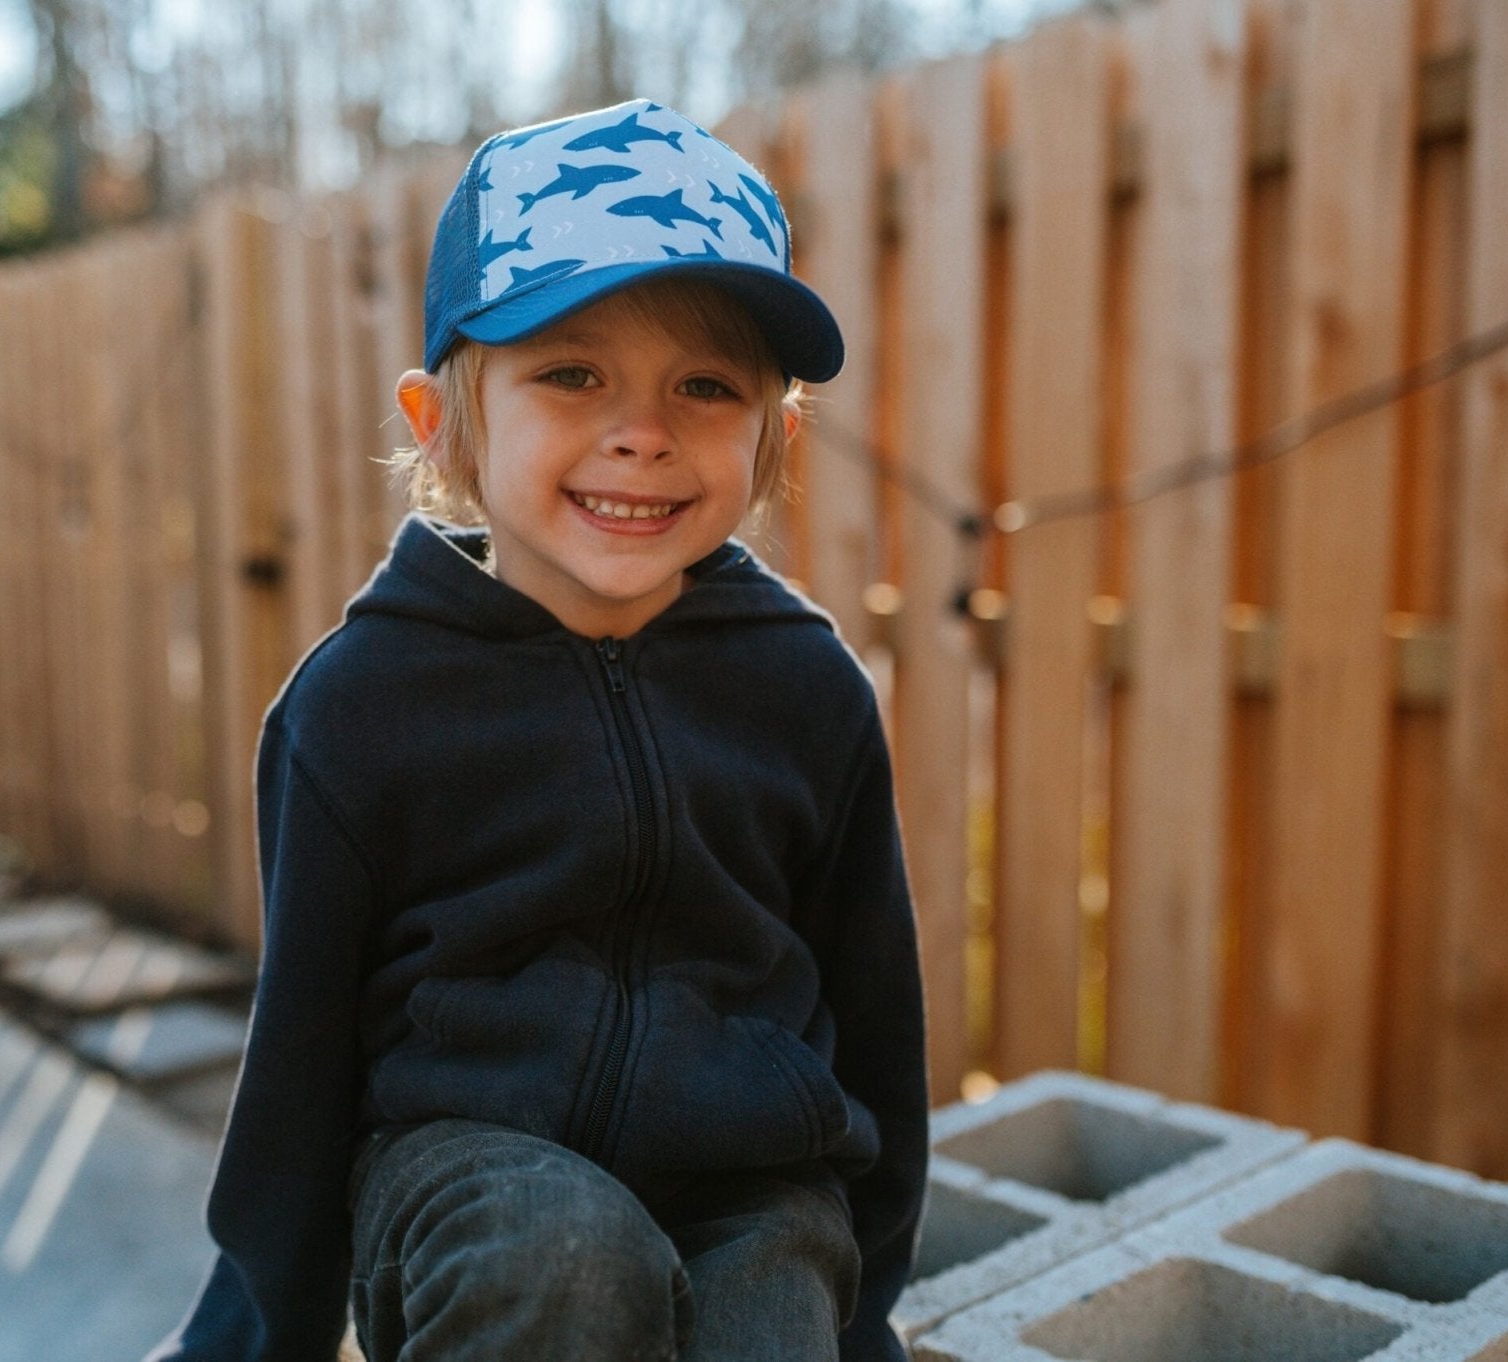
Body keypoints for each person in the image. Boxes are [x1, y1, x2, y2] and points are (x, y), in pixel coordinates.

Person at [149, 98, 928, 1362]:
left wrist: (865, 1314)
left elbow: (877, 1024)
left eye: (706, 386)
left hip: (747, 1176)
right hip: (464, 1179)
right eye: (571, 373)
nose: (642, 432)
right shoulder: (360, 705)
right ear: (443, 423)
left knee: (770, 1304)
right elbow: (296, 1057)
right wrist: (251, 1339)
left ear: (770, 438)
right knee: (562, 1252)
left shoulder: (805, 692)